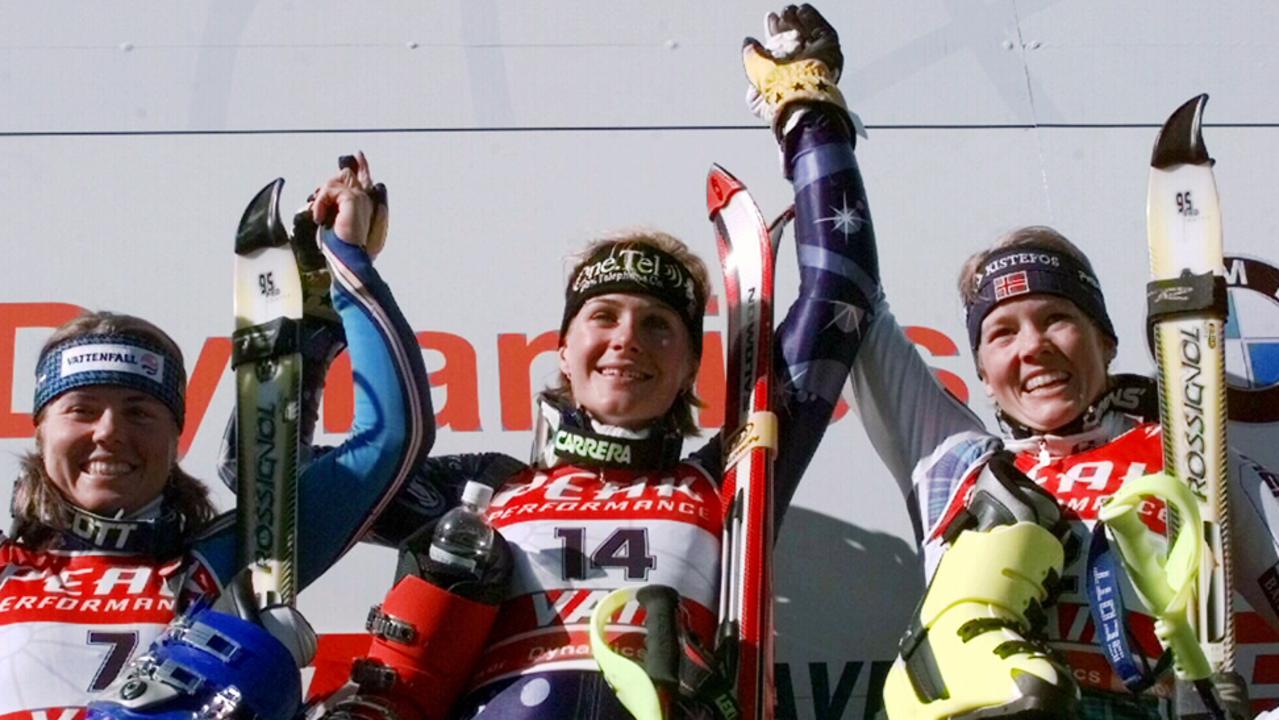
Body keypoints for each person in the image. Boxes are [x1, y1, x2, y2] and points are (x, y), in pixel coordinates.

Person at [295, 6, 876, 719]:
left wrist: (806, 107)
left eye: (659, 326)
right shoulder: (485, 489)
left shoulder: (732, 477)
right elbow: (276, 492)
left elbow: (837, 295)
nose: (627, 338)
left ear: (692, 365)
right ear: (563, 353)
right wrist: (322, 296)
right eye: (602, 317)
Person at [0, 154, 432, 720]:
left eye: (140, 413)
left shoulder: (243, 554)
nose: (110, 433)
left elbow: (389, 437)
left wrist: (344, 268)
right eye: (81, 410)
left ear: (176, 432)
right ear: (39, 429)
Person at [844, 222, 1279, 716]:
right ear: (983, 373)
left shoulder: (1192, 461)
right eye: (1003, 332)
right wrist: (818, 144)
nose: (1033, 346)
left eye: (1056, 319)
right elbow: (852, 294)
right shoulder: (958, 464)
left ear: (1106, 340)